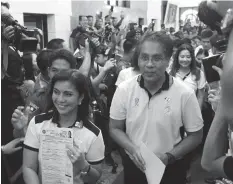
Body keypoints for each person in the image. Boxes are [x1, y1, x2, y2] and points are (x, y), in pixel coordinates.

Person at [109, 31, 203, 184]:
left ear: (168, 61)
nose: (150, 64)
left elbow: (196, 135)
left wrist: (169, 156)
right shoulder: (124, 90)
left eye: (157, 58)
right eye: (144, 57)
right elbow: (114, 128)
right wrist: (133, 150)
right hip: (135, 166)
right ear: (138, 59)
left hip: (171, 168)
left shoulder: (185, 93)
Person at [23, 69, 105, 184]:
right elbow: (28, 167)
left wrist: (84, 166)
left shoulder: (93, 134)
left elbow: (95, 178)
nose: (60, 99)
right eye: (56, 92)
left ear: (81, 98)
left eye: (68, 94)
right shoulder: (37, 123)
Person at [11, 46, 91, 136]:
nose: (59, 75)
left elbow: (89, 132)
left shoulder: (79, 97)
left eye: (64, 71)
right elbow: (22, 135)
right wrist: (20, 128)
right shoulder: (39, 98)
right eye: (54, 70)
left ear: (73, 71)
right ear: (49, 71)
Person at [170, 44, 206, 108]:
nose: (185, 60)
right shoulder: (171, 73)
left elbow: (200, 96)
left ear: (192, 58)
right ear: (177, 57)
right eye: (182, 56)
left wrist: (197, 113)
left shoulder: (198, 73)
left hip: (191, 110)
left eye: (188, 57)